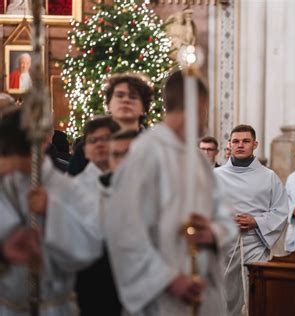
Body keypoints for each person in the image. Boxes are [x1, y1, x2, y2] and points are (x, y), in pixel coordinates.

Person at [105, 70, 237, 315]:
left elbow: (225, 215)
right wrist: (168, 280)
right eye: (206, 108)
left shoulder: (197, 159)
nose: (206, 117)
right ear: (197, 104)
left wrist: (212, 232)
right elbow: (124, 229)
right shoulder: (146, 153)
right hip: (162, 298)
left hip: (204, 294)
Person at [0, 107, 102, 315]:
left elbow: (89, 247)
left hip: (53, 305)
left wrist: (52, 210)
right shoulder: (5, 183)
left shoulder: (68, 187)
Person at [214, 124, 288, 316]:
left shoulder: (269, 176)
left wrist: (256, 221)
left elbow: (281, 211)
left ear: (255, 144)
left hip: (255, 245)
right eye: (236, 141)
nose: (240, 145)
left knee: (254, 295)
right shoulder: (215, 176)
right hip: (223, 247)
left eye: (246, 141)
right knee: (224, 298)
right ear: (228, 144)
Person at [75, 129, 137, 316]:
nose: (122, 161)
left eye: (128, 155)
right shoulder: (94, 191)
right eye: (116, 155)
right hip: (101, 287)